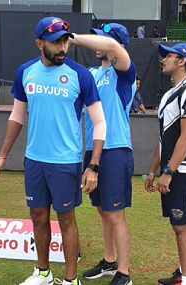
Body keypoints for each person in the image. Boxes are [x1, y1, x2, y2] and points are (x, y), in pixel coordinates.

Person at [0, 16, 107, 285]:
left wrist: (93, 165)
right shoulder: (25, 72)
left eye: (65, 41)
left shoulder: (81, 75)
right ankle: (43, 273)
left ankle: (70, 280)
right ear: (39, 43)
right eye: (55, 42)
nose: (62, 47)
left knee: (66, 219)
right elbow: (17, 116)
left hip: (65, 162)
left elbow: (100, 122)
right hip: (34, 161)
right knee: (38, 216)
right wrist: (2, 155)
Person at [70, 23, 136, 285]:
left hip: (116, 150)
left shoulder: (124, 73)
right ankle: (109, 261)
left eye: (101, 39)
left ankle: (124, 273)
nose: (97, 44)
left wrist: (72, 38)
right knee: (102, 211)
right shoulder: (93, 74)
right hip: (93, 150)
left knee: (115, 214)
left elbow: (111, 47)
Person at [145, 43, 186, 285]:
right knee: (177, 224)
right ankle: (183, 273)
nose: (163, 59)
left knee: (182, 226)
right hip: (172, 169)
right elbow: (164, 138)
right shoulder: (170, 94)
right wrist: (152, 170)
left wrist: (168, 171)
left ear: (182, 61)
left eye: (168, 55)